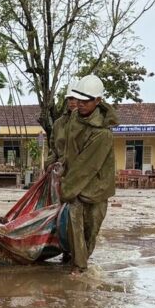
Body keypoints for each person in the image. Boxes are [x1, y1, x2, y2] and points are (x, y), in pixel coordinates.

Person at [59, 75, 117, 276]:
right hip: (76, 182)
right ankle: (78, 267)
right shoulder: (74, 118)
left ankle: (81, 261)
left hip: (96, 188)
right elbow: (68, 150)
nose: (80, 105)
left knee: (90, 231)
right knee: (74, 225)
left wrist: (65, 190)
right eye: (78, 100)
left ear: (98, 101)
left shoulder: (103, 134)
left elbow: (87, 167)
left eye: (86, 101)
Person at [46, 79, 80, 169]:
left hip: (81, 171)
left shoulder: (89, 123)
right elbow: (53, 149)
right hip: (61, 171)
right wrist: (49, 164)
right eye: (70, 98)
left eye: (76, 98)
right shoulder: (58, 124)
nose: (72, 102)